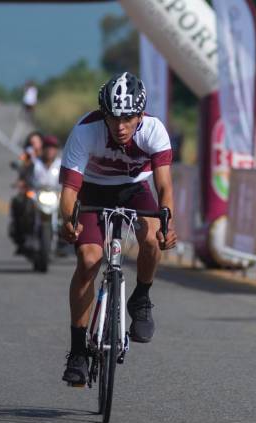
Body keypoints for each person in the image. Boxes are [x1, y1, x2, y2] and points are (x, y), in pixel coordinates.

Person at [59, 72, 178, 386]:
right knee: (88, 260)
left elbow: (164, 186)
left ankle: (140, 298)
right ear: (103, 114)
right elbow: (70, 190)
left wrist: (168, 221)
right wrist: (67, 220)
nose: (120, 126)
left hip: (134, 189)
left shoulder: (154, 131)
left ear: (140, 115)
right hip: (93, 191)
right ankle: (77, 352)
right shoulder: (86, 131)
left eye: (128, 118)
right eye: (113, 118)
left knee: (151, 238)